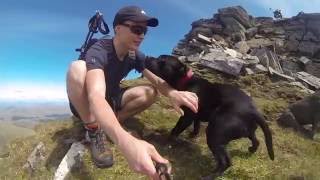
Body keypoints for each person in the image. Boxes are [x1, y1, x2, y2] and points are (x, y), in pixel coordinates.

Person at [66, 5, 198, 179]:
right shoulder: (100, 50)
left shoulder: (134, 54)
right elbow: (95, 96)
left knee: (150, 92)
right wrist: (125, 142)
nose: (141, 35)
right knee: (77, 68)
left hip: (112, 97)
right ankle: (94, 130)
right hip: (87, 103)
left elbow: (157, 81)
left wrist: (173, 93)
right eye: (136, 29)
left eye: (144, 31)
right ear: (118, 29)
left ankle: (114, 123)